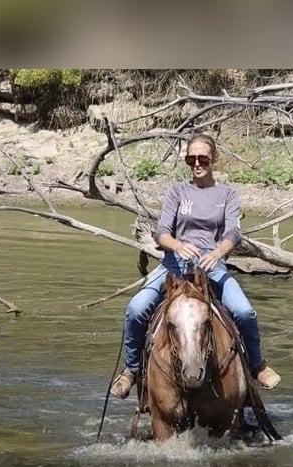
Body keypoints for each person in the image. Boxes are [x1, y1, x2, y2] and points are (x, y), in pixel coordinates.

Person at [110, 133, 281, 399]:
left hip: (212, 267)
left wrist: (218, 252)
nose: (197, 163)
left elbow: (233, 233)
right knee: (135, 309)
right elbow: (162, 233)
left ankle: (257, 366)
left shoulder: (228, 194)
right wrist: (177, 246)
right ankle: (131, 371)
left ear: (214, 159)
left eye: (203, 158)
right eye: (192, 159)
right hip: (174, 266)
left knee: (245, 312)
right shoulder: (178, 191)